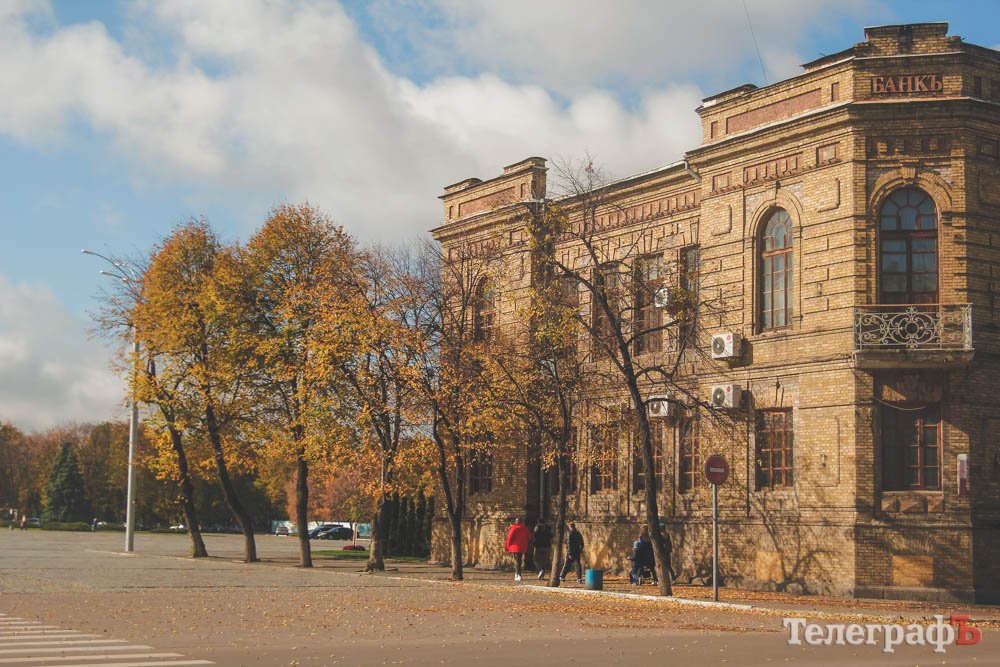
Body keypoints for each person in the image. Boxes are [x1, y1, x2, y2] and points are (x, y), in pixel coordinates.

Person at [505, 517, 531, 582]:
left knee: (516, 561)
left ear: (516, 521)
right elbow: (529, 537)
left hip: (515, 547)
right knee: (519, 560)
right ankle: (518, 574)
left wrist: (507, 546)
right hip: (522, 547)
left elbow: (509, 537)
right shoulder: (525, 528)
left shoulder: (514, 528)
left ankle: (517, 574)